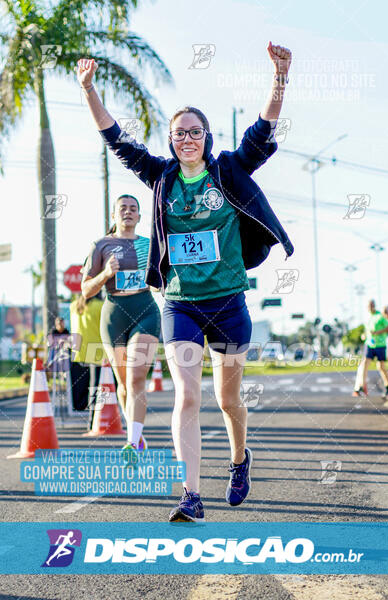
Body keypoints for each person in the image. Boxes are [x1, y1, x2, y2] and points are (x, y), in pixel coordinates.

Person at [76, 40, 294, 522]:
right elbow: (115, 140)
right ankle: (190, 495)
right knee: (189, 395)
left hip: (228, 303)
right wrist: (89, 89)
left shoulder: (229, 171)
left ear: (207, 137)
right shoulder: (159, 179)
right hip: (180, 304)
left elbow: (263, 131)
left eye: (194, 132)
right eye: (179, 134)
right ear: (172, 141)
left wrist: (280, 76)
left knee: (227, 398)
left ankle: (239, 459)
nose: (186, 139)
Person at [81, 194, 161, 454]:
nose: (128, 212)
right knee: (124, 383)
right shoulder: (101, 245)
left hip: (145, 310)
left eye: (133, 209)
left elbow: (163, 281)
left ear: (139, 216)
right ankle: (134, 433)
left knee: (137, 376)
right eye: (123, 208)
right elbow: (86, 291)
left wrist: (158, 283)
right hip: (114, 313)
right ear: (114, 215)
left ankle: (133, 442)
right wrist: (106, 273)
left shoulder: (150, 245)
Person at [69, 293, 104, 424]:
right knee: (96, 389)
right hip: (97, 353)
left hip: (78, 353)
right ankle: (93, 421)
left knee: (81, 389)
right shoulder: (101, 306)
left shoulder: (73, 306)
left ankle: (87, 418)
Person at [352, 299, 388, 399]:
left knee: (380, 367)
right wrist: (364, 336)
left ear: (374, 306)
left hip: (380, 345)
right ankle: (362, 386)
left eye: (371, 305)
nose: (370, 307)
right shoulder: (367, 317)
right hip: (369, 344)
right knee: (364, 364)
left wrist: (377, 333)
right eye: (368, 306)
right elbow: (368, 331)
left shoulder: (380, 316)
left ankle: (387, 386)